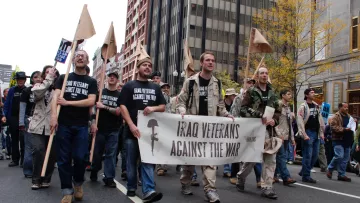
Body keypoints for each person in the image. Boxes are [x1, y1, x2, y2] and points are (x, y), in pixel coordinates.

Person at [177, 51, 233, 202]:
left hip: (210, 130)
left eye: (213, 60)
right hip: (192, 128)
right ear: (201, 63)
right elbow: (181, 101)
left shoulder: (217, 83)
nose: (211, 63)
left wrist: (226, 114)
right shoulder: (190, 82)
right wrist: (182, 110)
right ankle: (185, 183)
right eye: (207, 60)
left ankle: (210, 190)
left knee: (210, 160)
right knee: (189, 161)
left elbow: (220, 105)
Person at [51, 50, 97, 203]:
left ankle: (78, 183)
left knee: (80, 157)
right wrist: (53, 117)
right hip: (63, 124)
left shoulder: (91, 81)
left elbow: (90, 101)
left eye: (83, 55)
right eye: (77, 55)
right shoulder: (64, 78)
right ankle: (67, 190)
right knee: (63, 159)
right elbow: (55, 98)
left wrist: (68, 102)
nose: (80, 57)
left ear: (87, 61)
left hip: (81, 125)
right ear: (73, 60)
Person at [118, 57, 165, 202]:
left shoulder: (155, 88)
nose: (147, 67)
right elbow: (122, 105)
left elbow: (162, 107)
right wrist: (131, 124)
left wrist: (153, 107)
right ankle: (131, 186)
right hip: (132, 131)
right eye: (144, 65)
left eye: (150, 65)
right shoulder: (129, 86)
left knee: (148, 161)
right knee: (131, 162)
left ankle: (149, 190)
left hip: (149, 133)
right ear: (138, 68)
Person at [236, 66, 280, 199]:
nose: (264, 75)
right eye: (262, 73)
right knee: (252, 159)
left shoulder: (273, 92)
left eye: (266, 73)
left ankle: (267, 187)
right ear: (258, 76)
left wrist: (274, 120)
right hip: (255, 129)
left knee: (270, 159)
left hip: (269, 131)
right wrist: (258, 115)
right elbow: (242, 109)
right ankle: (241, 177)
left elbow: (278, 111)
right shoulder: (251, 91)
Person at [29, 66, 58, 190]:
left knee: (51, 154)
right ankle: (36, 179)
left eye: (52, 73)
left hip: (52, 126)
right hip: (37, 125)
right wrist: (48, 79)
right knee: (38, 150)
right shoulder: (37, 87)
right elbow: (37, 94)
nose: (49, 74)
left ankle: (46, 178)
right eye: (47, 72)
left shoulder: (58, 90)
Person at [90, 70, 121, 188]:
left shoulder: (120, 95)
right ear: (107, 79)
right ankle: (94, 169)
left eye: (114, 77)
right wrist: (93, 122)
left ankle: (109, 178)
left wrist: (104, 107)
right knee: (97, 154)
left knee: (111, 154)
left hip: (113, 129)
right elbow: (93, 108)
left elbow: (118, 111)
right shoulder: (100, 93)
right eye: (110, 76)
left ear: (117, 80)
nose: (112, 78)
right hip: (100, 128)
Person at [229, 78, 258, 185]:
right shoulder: (238, 98)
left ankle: (259, 179)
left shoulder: (255, 98)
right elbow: (234, 112)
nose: (250, 85)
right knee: (237, 152)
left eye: (252, 83)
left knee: (255, 152)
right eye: (248, 83)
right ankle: (233, 174)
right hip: (240, 128)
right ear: (244, 84)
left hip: (252, 129)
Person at [297, 88, 325, 183]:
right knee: (307, 155)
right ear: (306, 95)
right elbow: (300, 121)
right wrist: (303, 134)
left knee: (315, 155)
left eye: (314, 92)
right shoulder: (303, 106)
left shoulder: (316, 106)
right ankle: (306, 176)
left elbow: (320, 119)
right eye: (311, 92)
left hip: (316, 132)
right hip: (308, 132)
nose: (314, 94)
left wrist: (321, 133)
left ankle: (304, 170)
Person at [20, 71, 42, 177]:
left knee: (39, 146)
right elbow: (23, 107)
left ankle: (40, 169)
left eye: (40, 77)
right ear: (32, 79)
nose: (38, 78)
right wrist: (21, 122)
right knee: (29, 146)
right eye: (35, 77)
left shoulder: (45, 90)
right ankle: (28, 170)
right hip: (29, 119)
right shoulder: (27, 91)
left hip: (42, 121)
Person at [2, 71, 27, 167]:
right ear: (16, 80)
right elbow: (7, 103)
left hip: (24, 118)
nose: (20, 81)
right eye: (19, 79)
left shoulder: (28, 89)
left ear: (24, 80)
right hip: (13, 117)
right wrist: (4, 115)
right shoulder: (12, 90)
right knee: (14, 139)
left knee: (24, 139)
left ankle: (24, 160)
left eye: (22, 79)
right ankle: (15, 159)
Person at [273, 89, 296, 185]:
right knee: (282, 156)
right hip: (279, 135)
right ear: (283, 95)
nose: (290, 96)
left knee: (279, 157)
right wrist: (279, 134)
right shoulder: (278, 105)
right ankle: (286, 177)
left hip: (287, 135)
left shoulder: (288, 107)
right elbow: (274, 120)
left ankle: (274, 175)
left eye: (290, 94)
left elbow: (289, 124)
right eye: (288, 94)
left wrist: (292, 138)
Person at [326, 103, 353, 182]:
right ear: (340, 107)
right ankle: (330, 169)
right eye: (345, 107)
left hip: (347, 140)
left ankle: (341, 174)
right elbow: (333, 127)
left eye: (347, 107)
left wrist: (354, 123)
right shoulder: (335, 116)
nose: (346, 108)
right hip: (338, 139)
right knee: (339, 156)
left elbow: (351, 125)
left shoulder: (349, 116)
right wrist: (344, 129)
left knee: (345, 158)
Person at [156, 82, 171, 176]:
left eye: (167, 87)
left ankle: (164, 165)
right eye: (163, 88)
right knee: (159, 146)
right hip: (159, 125)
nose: (166, 89)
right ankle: (159, 167)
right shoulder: (158, 99)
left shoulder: (173, 99)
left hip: (169, 126)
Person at [223, 88, 238, 178]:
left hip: (231, 129)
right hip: (222, 129)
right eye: (233, 95)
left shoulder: (235, 104)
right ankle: (226, 169)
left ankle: (228, 169)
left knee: (230, 148)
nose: (234, 97)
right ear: (228, 96)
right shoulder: (222, 104)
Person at [1, 88, 10, 160]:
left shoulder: (11, 99)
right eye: (7, 92)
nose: (8, 93)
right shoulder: (2, 99)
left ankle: (8, 152)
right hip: (3, 120)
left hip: (8, 120)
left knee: (7, 137)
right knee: (2, 137)